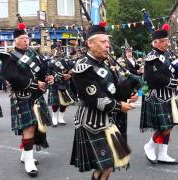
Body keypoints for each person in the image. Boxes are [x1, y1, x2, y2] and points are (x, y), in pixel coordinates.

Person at [70, 23, 135, 180]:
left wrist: (129, 94)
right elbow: (95, 98)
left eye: (108, 42)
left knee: (108, 166)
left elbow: (113, 89)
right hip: (92, 122)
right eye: (103, 42)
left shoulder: (105, 64)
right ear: (90, 43)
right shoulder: (83, 67)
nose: (108, 45)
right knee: (105, 166)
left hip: (108, 119)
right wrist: (119, 106)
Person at [0, 22, 54, 177]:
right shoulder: (10, 57)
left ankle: (24, 155)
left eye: (26, 38)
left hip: (37, 96)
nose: (25, 41)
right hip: (22, 96)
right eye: (21, 38)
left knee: (35, 127)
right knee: (28, 127)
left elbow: (43, 70)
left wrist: (49, 77)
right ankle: (29, 161)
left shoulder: (35, 55)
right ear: (15, 40)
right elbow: (12, 77)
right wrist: (35, 84)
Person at [140, 24, 178, 165]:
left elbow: (170, 70)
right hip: (157, 95)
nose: (168, 43)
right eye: (165, 41)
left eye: (167, 40)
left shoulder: (164, 55)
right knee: (165, 127)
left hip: (167, 95)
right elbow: (154, 78)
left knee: (169, 126)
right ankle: (150, 145)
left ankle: (162, 154)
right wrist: (174, 82)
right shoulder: (152, 57)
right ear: (157, 42)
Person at [47, 50, 75, 127]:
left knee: (64, 103)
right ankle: (54, 118)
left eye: (60, 52)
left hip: (65, 84)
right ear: (54, 54)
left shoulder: (68, 61)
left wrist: (71, 73)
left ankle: (61, 118)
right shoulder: (51, 63)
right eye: (57, 53)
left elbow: (73, 68)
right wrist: (58, 77)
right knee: (55, 103)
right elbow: (48, 74)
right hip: (55, 84)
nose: (59, 54)